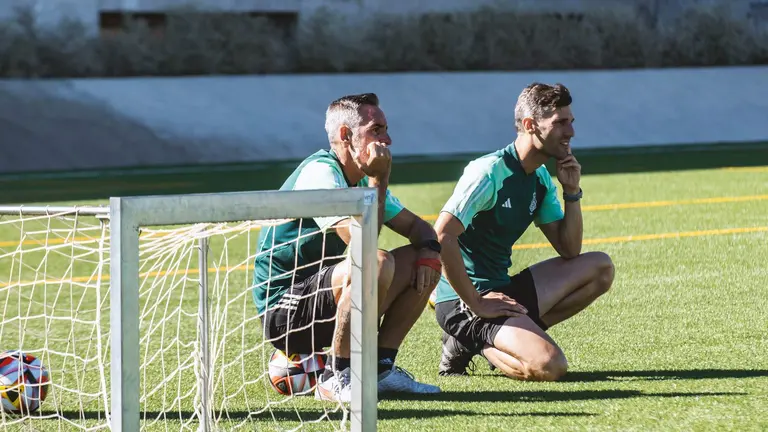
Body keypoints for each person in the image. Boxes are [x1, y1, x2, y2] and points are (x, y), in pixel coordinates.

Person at [252, 93, 442, 403]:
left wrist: (431, 252)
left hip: (325, 298)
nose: (388, 139)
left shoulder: (356, 181)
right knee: (376, 262)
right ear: (345, 135)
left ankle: (380, 369)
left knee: (420, 259)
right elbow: (363, 244)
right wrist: (380, 178)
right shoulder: (321, 174)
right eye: (376, 129)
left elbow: (418, 228)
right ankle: (336, 376)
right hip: (283, 313)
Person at [432, 82, 615, 380]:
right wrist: (476, 302)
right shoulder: (489, 172)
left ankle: (484, 338)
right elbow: (442, 235)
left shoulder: (540, 177)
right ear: (530, 125)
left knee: (600, 268)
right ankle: (471, 339)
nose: (570, 132)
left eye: (571, 122)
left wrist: (572, 191)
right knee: (549, 366)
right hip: (463, 299)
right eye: (560, 123)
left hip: (502, 290)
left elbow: (569, 250)